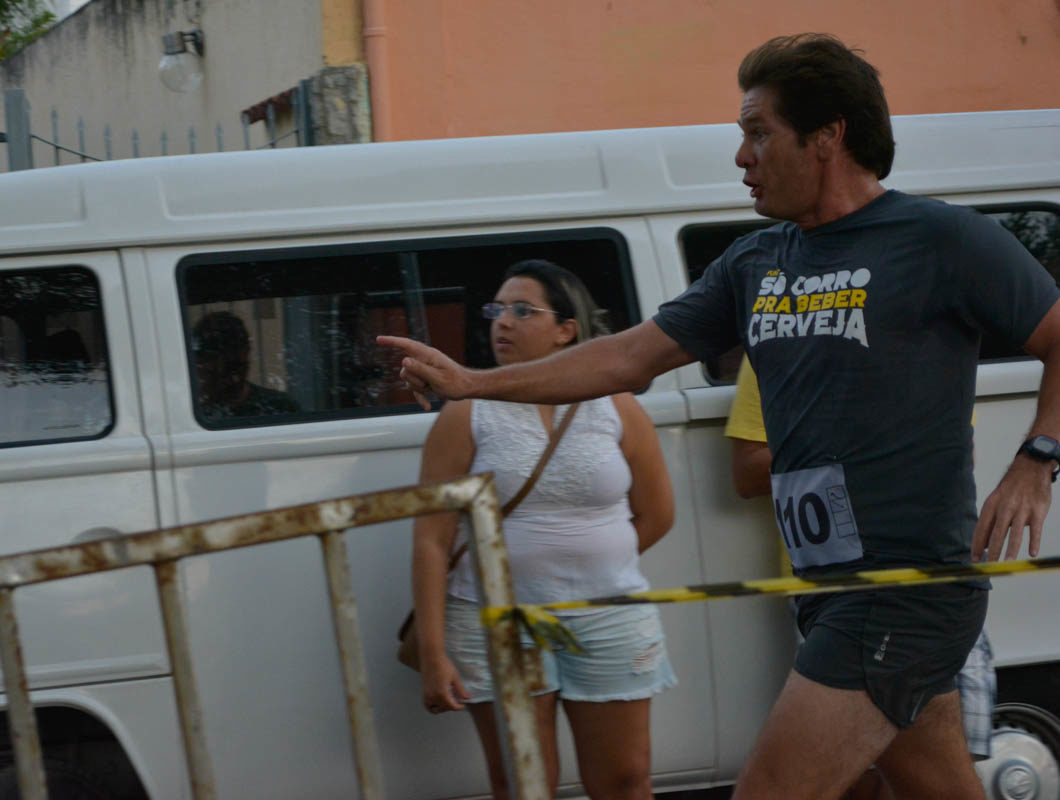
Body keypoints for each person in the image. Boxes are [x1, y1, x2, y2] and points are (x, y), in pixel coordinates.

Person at [380, 33, 1060, 800]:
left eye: (758, 131)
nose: (741, 155)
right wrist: (473, 382)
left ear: (828, 135)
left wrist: (1037, 458)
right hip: (827, 584)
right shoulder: (756, 261)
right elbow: (628, 357)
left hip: (904, 589)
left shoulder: (941, 239)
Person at [412, 259, 677, 800]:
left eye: (521, 310)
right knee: (523, 785)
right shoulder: (466, 413)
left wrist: (591, 567)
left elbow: (657, 513)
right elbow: (431, 540)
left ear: (566, 331)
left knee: (627, 781)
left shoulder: (618, 407)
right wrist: (434, 654)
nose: (501, 322)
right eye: (496, 310)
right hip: (496, 622)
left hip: (608, 616)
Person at [724, 356, 997, 800]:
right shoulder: (772, 332)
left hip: (920, 585)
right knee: (883, 781)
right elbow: (746, 470)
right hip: (834, 593)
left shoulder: (920, 332)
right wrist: (852, 442)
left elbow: (937, 447)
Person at [191, 311, 300, 420]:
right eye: (214, 360)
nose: (222, 369)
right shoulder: (192, 413)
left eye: (233, 361)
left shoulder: (280, 407)